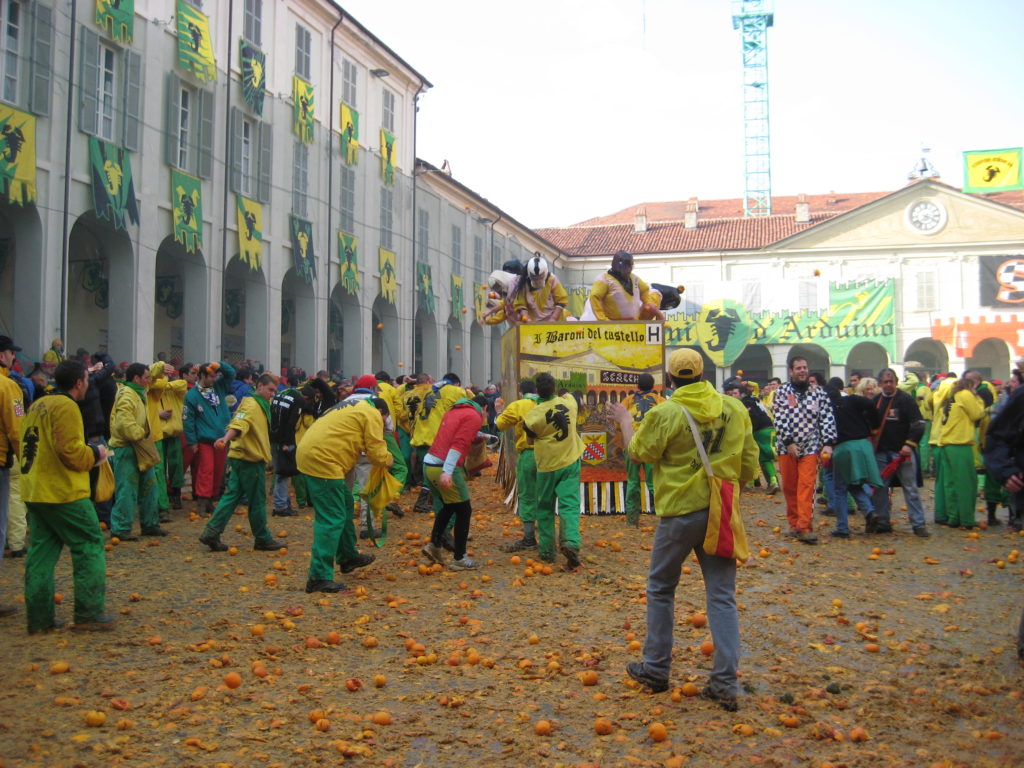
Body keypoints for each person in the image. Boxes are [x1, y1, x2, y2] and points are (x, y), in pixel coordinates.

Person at [611, 348, 758, 710]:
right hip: (719, 509)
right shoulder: (734, 408)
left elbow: (638, 453)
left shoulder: (665, 412)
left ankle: (656, 669)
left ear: (671, 379)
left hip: (679, 512)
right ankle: (725, 683)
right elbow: (750, 462)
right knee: (722, 595)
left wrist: (625, 422)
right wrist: (730, 488)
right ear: (703, 373)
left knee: (661, 587)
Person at [21, 359, 114, 632]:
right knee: (89, 543)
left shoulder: (39, 403)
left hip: (35, 489)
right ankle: (89, 613)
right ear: (79, 382)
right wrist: (96, 453)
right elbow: (71, 453)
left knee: (41, 553)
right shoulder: (67, 406)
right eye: (87, 379)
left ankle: (39, 619)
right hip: (63, 492)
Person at [297, 398, 391, 592]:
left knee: (346, 503)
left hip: (316, 453)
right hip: (323, 459)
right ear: (381, 411)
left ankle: (348, 556)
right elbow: (376, 451)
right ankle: (318, 577)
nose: (382, 424)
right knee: (331, 517)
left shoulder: (354, 406)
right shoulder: (371, 413)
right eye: (384, 420)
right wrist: (389, 461)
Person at [198, 373, 285, 552]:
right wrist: (225, 438)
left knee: (230, 498)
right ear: (259, 386)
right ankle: (262, 538)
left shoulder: (259, 403)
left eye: (274, 391)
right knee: (258, 501)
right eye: (270, 389)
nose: (272, 394)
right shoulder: (252, 405)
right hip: (249, 460)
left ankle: (211, 532)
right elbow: (239, 424)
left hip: (240, 458)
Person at [523, 372, 585, 569]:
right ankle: (571, 542)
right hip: (570, 461)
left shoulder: (533, 416)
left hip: (547, 466)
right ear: (555, 388)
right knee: (570, 505)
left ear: (536, 391)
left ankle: (548, 552)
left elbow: (530, 440)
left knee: (545, 508)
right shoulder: (569, 403)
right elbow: (574, 398)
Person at [772, 357, 837, 544]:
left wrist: (828, 443)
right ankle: (793, 524)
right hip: (787, 447)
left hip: (810, 446)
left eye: (805, 367)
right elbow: (779, 417)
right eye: (798, 368)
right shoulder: (782, 392)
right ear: (791, 371)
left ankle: (804, 526)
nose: (802, 371)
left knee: (807, 486)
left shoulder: (819, 393)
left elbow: (827, 418)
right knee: (790, 487)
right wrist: (789, 441)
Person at [420, 395, 487, 570]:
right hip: (443, 466)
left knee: (449, 507)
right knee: (464, 510)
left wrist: (479, 436)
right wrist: (448, 471)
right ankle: (460, 558)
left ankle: (434, 545)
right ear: (484, 408)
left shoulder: (454, 411)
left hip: (429, 464)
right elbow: (459, 443)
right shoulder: (474, 416)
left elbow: (454, 435)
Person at [108, 363, 166, 541]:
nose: (149, 381)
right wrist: (139, 434)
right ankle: (120, 528)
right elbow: (123, 421)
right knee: (127, 489)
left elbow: (154, 374)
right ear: (136, 379)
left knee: (150, 486)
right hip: (127, 448)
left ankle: (150, 524)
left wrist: (162, 366)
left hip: (141, 446)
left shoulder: (140, 392)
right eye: (146, 378)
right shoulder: (126, 395)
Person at [870, 368, 929, 536]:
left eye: (891, 381)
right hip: (881, 454)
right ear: (880, 383)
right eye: (885, 382)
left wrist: (909, 445)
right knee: (880, 489)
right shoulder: (876, 401)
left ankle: (918, 524)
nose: (888, 385)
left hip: (903, 454)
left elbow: (918, 424)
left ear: (896, 382)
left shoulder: (906, 400)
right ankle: (882, 522)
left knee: (910, 489)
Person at [822, 378, 883, 538]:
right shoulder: (852, 399)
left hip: (845, 448)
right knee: (854, 484)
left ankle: (842, 527)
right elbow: (870, 405)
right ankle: (869, 512)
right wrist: (874, 426)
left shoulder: (827, 410)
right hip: (864, 445)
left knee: (840, 488)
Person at [183, 361, 236, 516]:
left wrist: (218, 365)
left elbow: (231, 373)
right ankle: (201, 503)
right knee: (206, 471)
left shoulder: (218, 387)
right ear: (202, 376)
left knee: (219, 471)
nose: (214, 379)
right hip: (205, 440)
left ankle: (210, 501)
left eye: (215, 376)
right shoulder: (192, 394)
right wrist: (192, 441)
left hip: (221, 438)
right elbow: (188, 419)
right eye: (211, 376)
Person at [934, 371, 984, 528]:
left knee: (950, 483)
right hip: (960, 444)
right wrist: (977, 397)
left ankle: (953, 517)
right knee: (966, 483)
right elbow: (977, 413)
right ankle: (967, 519)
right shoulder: (966, 395)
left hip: (946, 444)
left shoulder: (951, 398)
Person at [496, 380, 540, 551]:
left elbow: (499, 425)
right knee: (546, 495)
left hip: (528, 455)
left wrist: (499, 412)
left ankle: (529, 538)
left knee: (527, 495)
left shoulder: (518, 405)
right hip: (550, 455)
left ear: (521, 393)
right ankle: (548, 535)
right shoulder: (547, 404)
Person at [0, 335, 26, 618]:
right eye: (9, 353)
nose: (12, 358)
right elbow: (17, 429)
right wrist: (28, 462)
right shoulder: (10, 388)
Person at [622, 374, 665, 524]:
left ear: (637, 385)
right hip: (651, 445)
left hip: (632, 443)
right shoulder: (661, 401)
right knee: (654, 483)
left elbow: (618, 422)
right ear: (653, 385)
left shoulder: (628, 400)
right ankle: (665, 516)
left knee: (633, 481)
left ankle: (632, 520)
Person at [580, 250, 664, 321]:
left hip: (633, 323)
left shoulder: (634, 278)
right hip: (614, 324)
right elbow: (595, 297)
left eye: (629, 267)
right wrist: (603, 320)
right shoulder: (604, 279)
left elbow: (645, 290)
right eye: (625, 267)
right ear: (617, 266)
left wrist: (647, 303)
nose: (627, 270)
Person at [511, 254, 570, 322]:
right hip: (533, 324)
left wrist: (553, 318)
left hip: (554, 323)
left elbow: (561, 301)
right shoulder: (524, 283)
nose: (538, 281)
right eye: (535, 278)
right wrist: (526, 317)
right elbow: (520, 304)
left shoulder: (552, 280)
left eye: (540, 277)